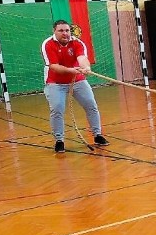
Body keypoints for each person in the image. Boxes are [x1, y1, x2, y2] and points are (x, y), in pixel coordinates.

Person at [41, 20, 109, 153]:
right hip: (55, 82)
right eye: (61, 31)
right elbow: (54, 67)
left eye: (67, 30)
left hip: (77, 80)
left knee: (91, 105)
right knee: (57, 109)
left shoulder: (77, 42)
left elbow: (82, 58)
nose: (65, 33)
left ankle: (98, 135)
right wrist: (71, 70)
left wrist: (86, 67)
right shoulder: (48, 44)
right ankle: (59, 141)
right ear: (54, 31)